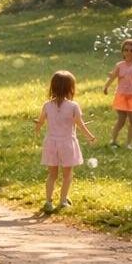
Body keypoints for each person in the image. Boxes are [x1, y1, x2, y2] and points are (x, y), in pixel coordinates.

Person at [36, 71, 98, 213]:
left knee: (52, 175)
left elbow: (40, 122)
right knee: (67, 174)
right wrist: (90, 136)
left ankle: (48, 201)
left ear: (53, 87)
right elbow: (80, 124)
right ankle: (63, 200)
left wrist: (38, 127)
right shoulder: (73, 106)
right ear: (71, 88)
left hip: (51, 143)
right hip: (67, 144)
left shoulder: (47, 105)